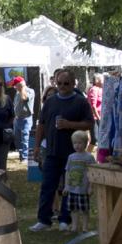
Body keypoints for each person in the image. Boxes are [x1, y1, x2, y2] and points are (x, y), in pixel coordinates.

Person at [30, 69, 94, 232]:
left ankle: (65, 219)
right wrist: (37, 146)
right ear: (55, 83)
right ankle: (44, 219)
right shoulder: (50, 102)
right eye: (59, 83)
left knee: (69, 186)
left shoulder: (80, 101)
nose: (62, 86)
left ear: (73, 84)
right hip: (51, 151)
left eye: (66, 83)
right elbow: (41, 124)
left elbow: (89, 123)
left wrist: (69, 124)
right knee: (47, 186)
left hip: (73, 153)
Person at [62, 130, 94, 232]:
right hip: (72, 189)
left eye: (80, 143)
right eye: (75, 143)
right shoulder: (71, 157)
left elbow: (92, 173)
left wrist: (90, 187)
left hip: (83, 189)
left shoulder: (89, 157)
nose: (77, 145)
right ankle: (74, 226)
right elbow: (67, 172)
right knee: (73, 209)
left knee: (84, 210)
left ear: (86, 143)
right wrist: (66, 186)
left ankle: (85, 227)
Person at [9, 76, 32, 160]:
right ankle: (21, 155)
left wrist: (22, 88)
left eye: (16, 85)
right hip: (17, 119)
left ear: (21, 84)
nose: (14, 87)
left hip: (25, 119)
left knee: (25, 140)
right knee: (17, 140)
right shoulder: (17, 92)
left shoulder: (30, 91)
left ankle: (25, 158)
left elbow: (24, 99)